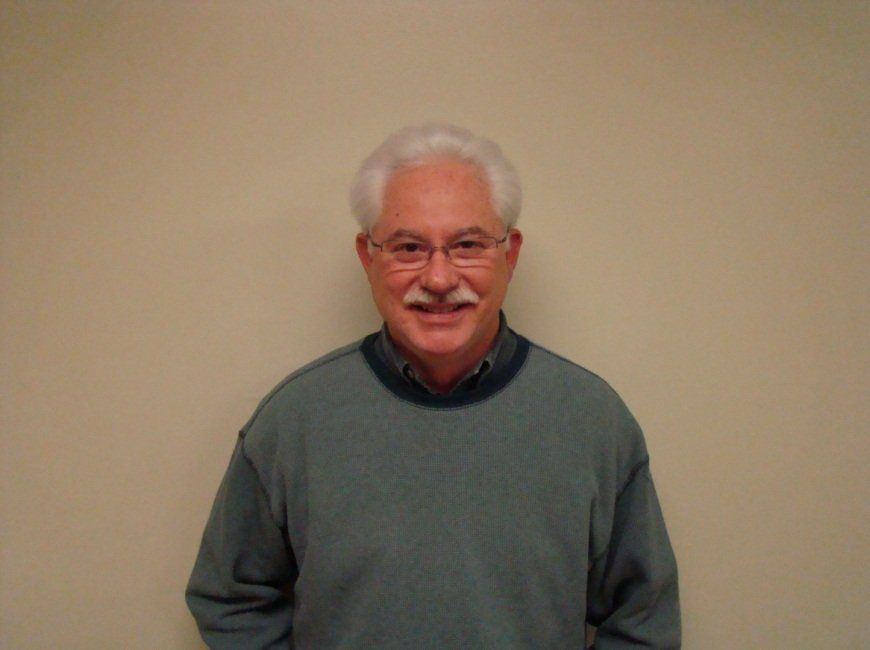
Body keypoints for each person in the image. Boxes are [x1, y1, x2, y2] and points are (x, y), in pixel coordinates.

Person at [186, 123, 680, 648]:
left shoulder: (593, 420)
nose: (439, 279)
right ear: (367, 257)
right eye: (408, 247)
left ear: (510, 254)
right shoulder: (294, 420)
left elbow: (643, 621)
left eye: (467, 245)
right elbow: (230, 599)